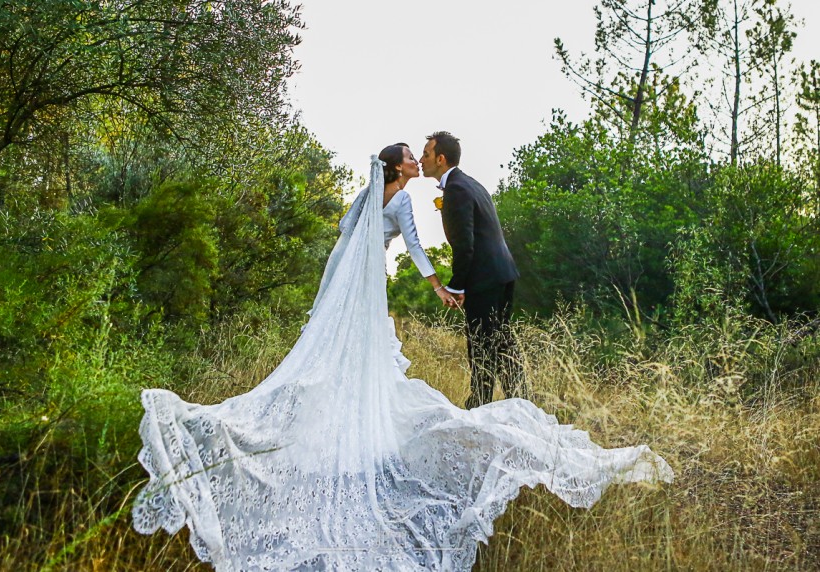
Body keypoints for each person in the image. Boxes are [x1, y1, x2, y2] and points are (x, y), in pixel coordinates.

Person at [133, 153, 673, 572]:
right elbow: (400, 243)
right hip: (357, 283)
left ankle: (346, 426)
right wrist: (438, 283)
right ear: (396, 167)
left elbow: (371, 238)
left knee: (358, 368)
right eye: (411, 158)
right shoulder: (387, 199)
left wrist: (436, 282)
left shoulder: (381, 197)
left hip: (353, 278)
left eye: (423, 155)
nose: (419, 162)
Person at [420, 131, 524, 409]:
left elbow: (465, 244)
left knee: (480, 345)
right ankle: (521, 403)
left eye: (426, 154)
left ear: (441, 159)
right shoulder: (471, 184)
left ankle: (478, 407)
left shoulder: (456, 189)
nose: (421, 160)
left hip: (484, 278)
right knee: (502, 343)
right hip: (503, 272)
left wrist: (456, 286)